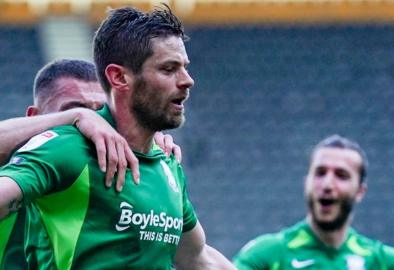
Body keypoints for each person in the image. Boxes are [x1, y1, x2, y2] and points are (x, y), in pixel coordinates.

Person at [0, 5, 234, 269]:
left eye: (184, 68)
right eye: (169, 69)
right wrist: (74, 118)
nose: (187, 80)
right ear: (119, 77)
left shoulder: (167, 163)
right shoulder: (68, 148)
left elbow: (196, 257)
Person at [0, 59, 183, 269]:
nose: (95, 125)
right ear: (35, 117)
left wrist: (145, 140)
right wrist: (76, 117)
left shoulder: (107, 175)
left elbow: (193, 253)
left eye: (101, 112)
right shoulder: (21, 164)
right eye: (75, 108)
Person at [234, 135, 394, 269]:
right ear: (307, 183)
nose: (327, 184)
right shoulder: (270, 254)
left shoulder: (379, 260)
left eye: (341, 175)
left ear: (360, 191)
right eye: (320, 173)